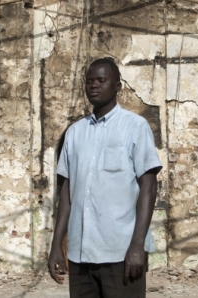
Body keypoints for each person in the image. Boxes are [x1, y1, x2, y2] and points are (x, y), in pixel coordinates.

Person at [48, 58, 162, 298]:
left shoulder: (135, 127)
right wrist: (56, 244)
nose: (94, 86)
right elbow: (66, 194)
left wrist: (137, 245)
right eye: (89, 81)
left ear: (117, 86)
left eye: (101, 80)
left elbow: (148, 188)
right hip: (80, 255)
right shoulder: (74, 133)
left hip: (121, 252)